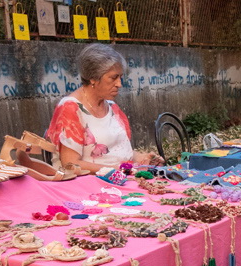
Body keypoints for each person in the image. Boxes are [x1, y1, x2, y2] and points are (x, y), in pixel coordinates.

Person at [46, 43, 161, 173]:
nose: (119, 84)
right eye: (113, 78)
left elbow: (117, 151)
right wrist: (116, 170)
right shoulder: (70, 108)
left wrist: (141, 158)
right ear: (93, 78)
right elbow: (70, 163)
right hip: (92, 183)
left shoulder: (111, 106)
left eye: (120, 77)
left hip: (124, 177)